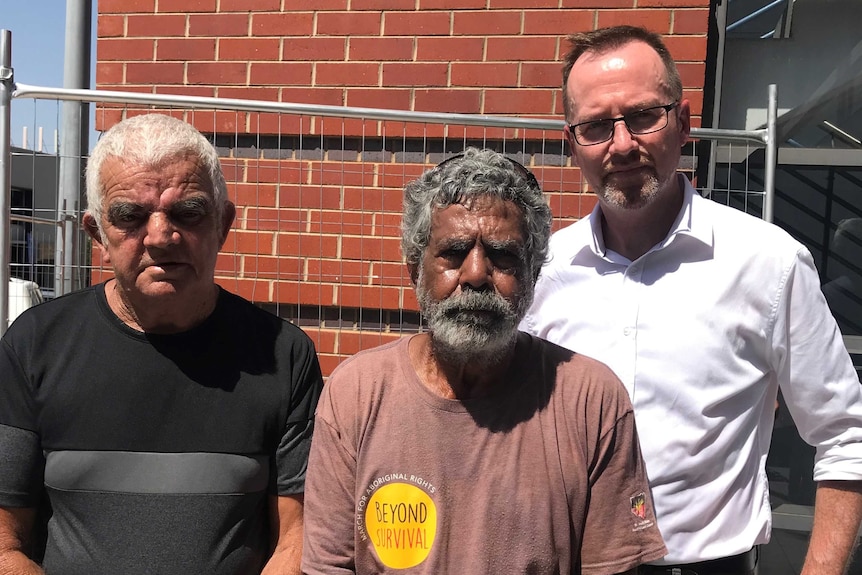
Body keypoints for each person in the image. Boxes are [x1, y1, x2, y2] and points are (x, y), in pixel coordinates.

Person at [520, 25, 862, 575]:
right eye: (596, 126)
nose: (623, 144)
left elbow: (846, 432)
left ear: (683, 123)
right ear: (572, 143)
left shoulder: (767, 263)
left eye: (642, 116)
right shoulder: (542, 271)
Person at [301, 147, 667, 575]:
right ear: (414, 269)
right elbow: (329, 566)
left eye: (503, 255)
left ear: (532, 276)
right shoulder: (356, 394)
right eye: (454, 252)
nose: (476, 274)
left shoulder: (592, 400)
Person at [0, 113, 324, 575]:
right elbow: (4, 545)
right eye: (130, 215)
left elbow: (297, 540)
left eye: (187, 211)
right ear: (97, 234)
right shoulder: (33, 347)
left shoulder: (282, 355)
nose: (160, 236)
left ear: (223, 225)